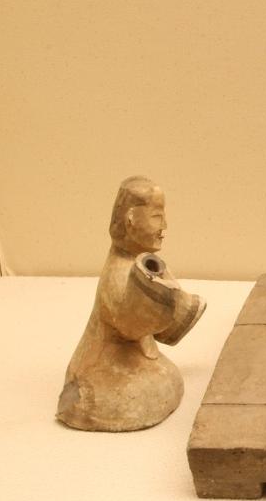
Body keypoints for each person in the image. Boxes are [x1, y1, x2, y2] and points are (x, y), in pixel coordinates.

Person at [57, 177, 204, 431]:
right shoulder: (117, 273)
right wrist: (159, 303)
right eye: (157, 217)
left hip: (138, 354)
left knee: (164, 380)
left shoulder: (142, 262)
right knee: (145, 392)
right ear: (131, 220)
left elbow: (165, 331)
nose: (164, 226)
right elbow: (130, 326)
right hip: (106, 368)